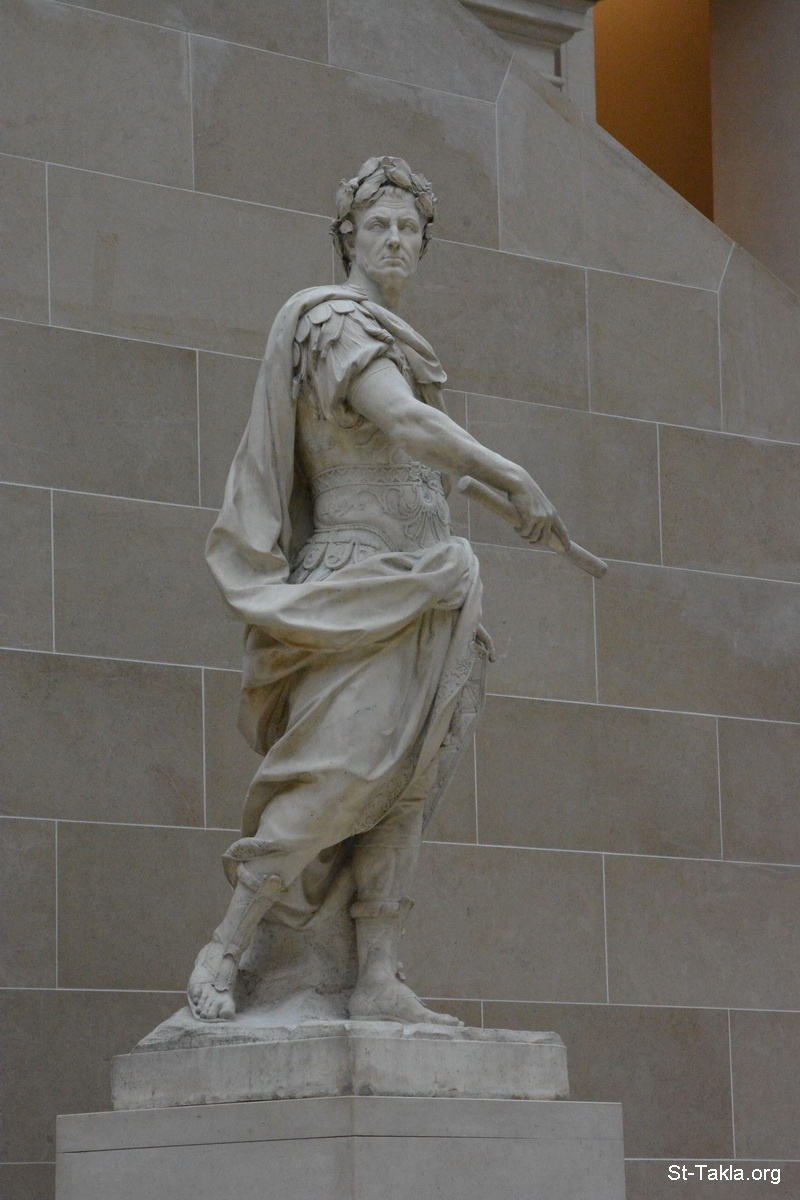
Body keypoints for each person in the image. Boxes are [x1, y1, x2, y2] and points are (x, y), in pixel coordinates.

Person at [188, 156, 569, 1024]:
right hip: (357, 582)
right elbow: (401, 420)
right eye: (378, 226)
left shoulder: (396, 341)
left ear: (424, 244)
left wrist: (482, 495)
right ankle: (229, 944)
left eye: (408, 229)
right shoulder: (331, 322)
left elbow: (411, 455)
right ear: (347, 238)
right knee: (340, 774)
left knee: (406, 787)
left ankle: (378, 976)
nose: (394, 240)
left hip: (433, 590)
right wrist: (515, 478)